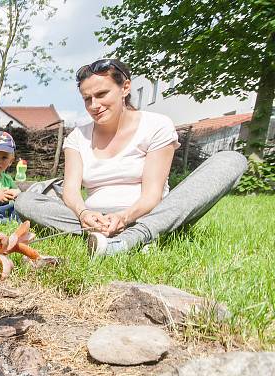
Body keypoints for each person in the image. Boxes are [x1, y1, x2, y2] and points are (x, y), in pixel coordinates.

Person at [14, 59, 248, 257]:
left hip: (150, 213)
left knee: (230, 160)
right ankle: (118, 238)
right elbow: (71, 191)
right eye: (87, 99)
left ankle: (132, 237)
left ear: (125, 88)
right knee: (25, 202)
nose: (94, 105)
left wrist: (124, 217)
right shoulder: (77, 137)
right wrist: (84, 214)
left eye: (102, 94)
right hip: (94, 217)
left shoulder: (156, 125)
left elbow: (152, 195)